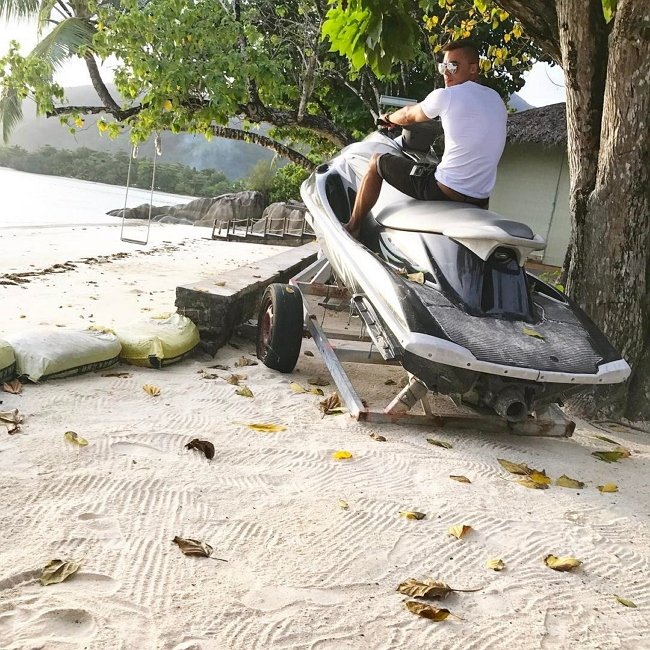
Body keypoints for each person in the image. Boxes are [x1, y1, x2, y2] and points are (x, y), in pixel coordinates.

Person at [346, 39, 507, 239]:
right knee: (433, 166)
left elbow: (408, 116)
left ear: (473, 68)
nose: (446, 72)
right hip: (480, 200)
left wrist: (388, 118)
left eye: (453, 66)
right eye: (443, 66)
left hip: (445, 190)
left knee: (376, 162)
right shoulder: (496, 99)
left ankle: (353, 227)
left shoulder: (447, 96)